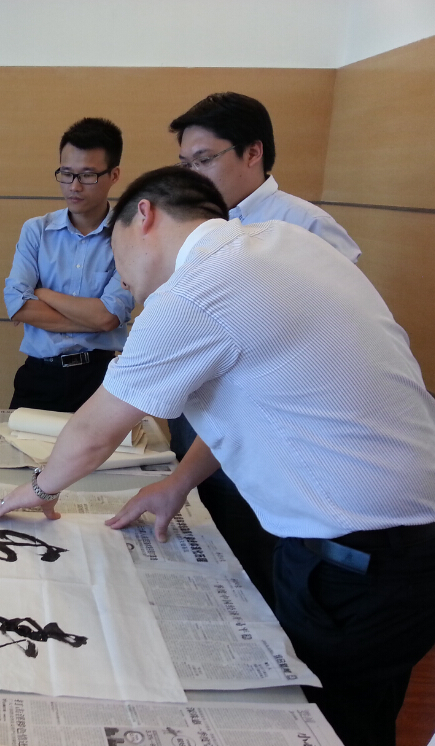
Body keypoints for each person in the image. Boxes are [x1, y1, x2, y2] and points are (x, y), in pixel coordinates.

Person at [0, 166, 435, 746]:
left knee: (330, 720)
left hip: (355, 557)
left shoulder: (197, 289)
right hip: (404, 543)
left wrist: (40, 489)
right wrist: (179, 482)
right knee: (365, 706)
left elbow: (96, 429)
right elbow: (262, 399)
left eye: (115, 254)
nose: (120, 276)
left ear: (144, 215)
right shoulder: (282, 243)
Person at [165, 92, 364, 605]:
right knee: (205, 548)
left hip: (271, 430)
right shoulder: (198, 226)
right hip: (205, 418)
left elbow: (334, 343)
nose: (192, 176)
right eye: (185, 164)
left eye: (204, 160)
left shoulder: (305, 225)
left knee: (259, 565)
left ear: (253, 152)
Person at [3, 118, 134, 412]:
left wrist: (43, 293)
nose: (74, 186)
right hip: (39, 375)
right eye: (66, 173)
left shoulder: (128, 237)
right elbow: (18, 305)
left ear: (114, 175)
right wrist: (95, 319)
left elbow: (108, 318)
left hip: (100, 379)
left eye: (87, 175)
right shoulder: (36, 231)